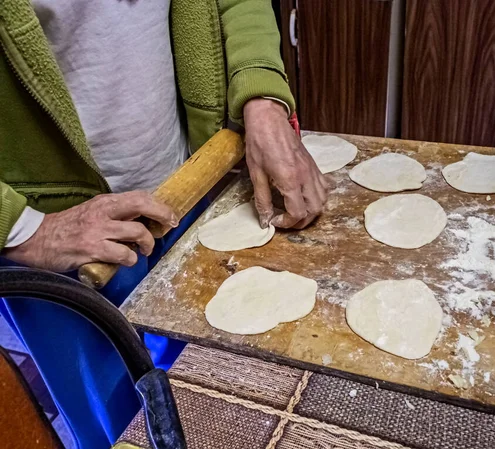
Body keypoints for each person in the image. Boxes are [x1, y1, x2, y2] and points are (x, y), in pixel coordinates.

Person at [0, 0, 327, 447]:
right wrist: (22, 227)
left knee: (204, 388)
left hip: (188, 184)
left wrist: (261, 95)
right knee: (119, 424)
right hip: (62, 241)